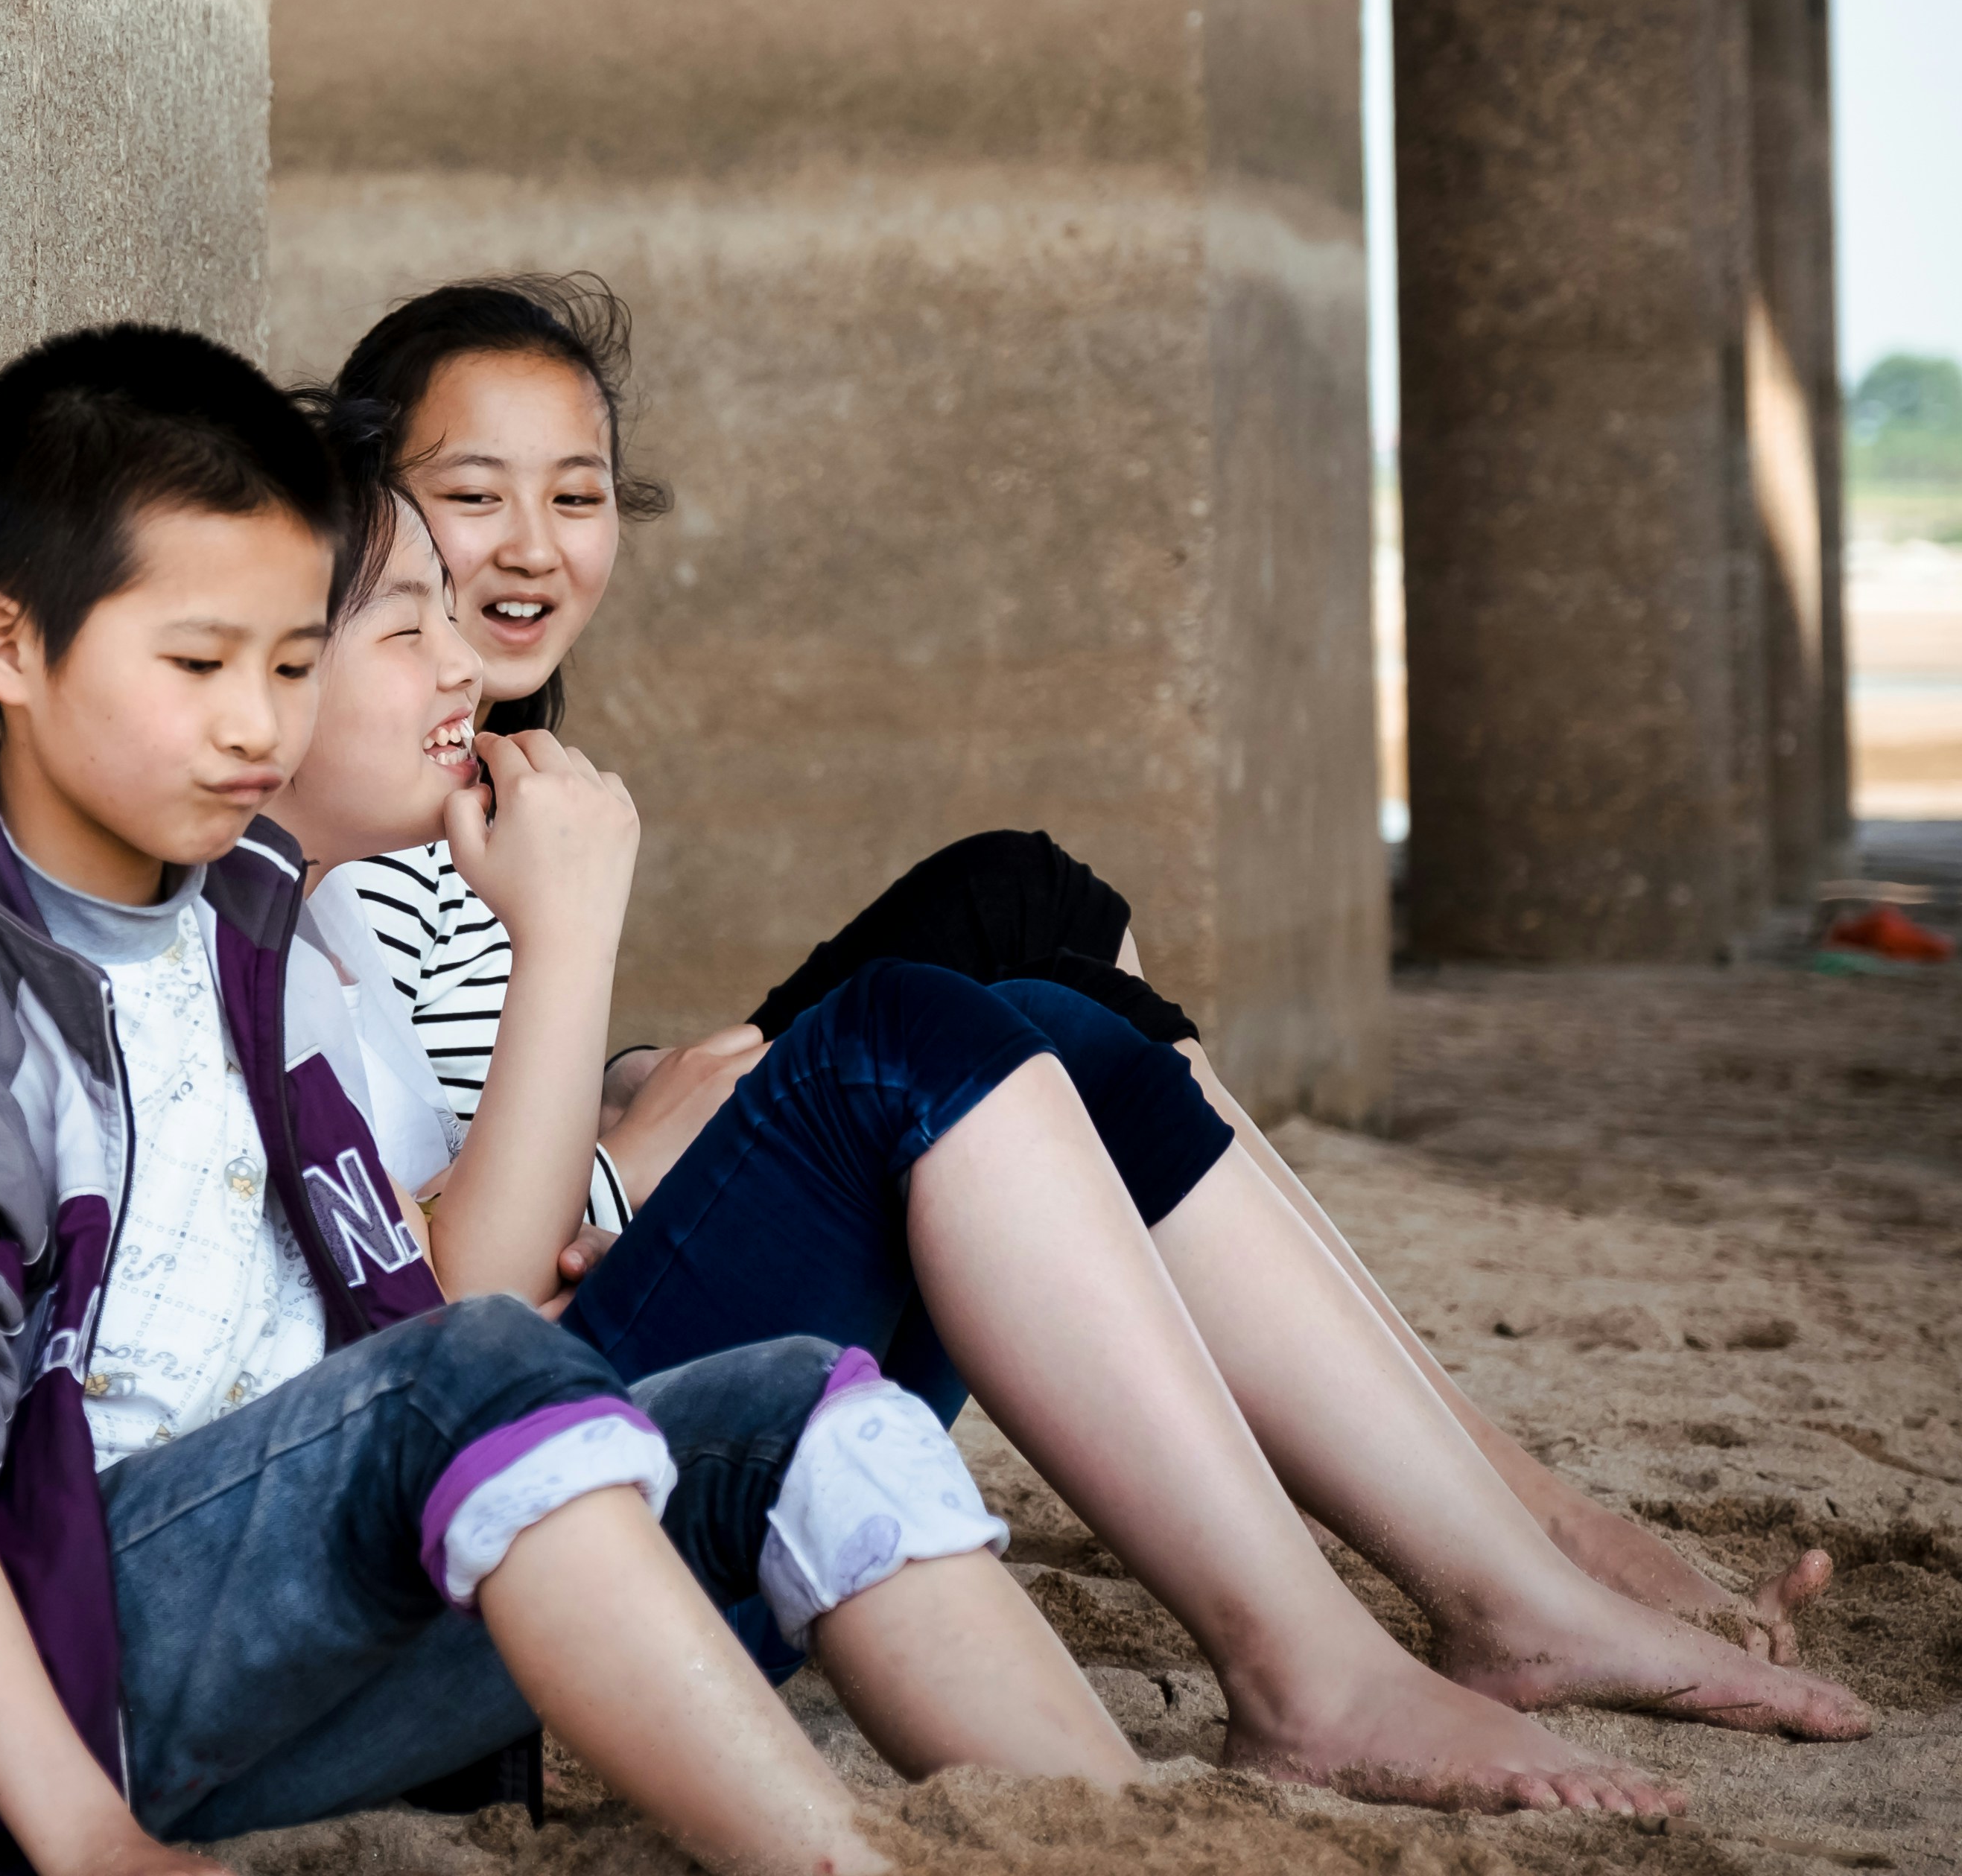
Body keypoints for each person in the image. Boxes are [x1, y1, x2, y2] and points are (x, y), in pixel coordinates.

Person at [316, 276, 1870, 1772]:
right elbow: (416, 1253)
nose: (524, 551)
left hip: (585, 1260)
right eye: (469, 501)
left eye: (576, 495)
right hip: (542, 1422)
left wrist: (629, 1088)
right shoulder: (332, 847)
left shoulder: (485, 803)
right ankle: (1464, 1572)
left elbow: (448, 1102)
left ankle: (1499, 1536)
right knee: (970, 1014)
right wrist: (620, 1157)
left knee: (1035, 940)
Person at [0, 326, 1133, 1876]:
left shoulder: (252, 918)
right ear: (9, 650)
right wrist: (78, 1835)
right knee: (470, 1377)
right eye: (199, 666)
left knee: (791, 1405)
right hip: (34, 1691)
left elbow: (446, 1283)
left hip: (315, 1620)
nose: (258, 723)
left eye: (293, 666)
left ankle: (1143, 1834)